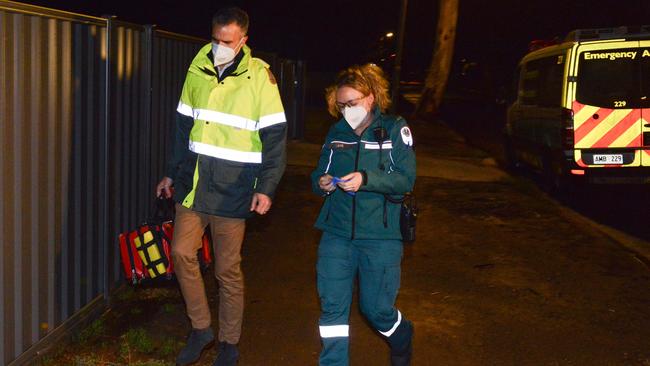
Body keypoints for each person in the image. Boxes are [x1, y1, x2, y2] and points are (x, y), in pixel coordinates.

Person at [155, 7, 286, 366]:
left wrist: (266, 187)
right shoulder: (196, 67)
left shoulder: (260, 77)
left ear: (244, 40)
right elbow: (183, 128)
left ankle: (229, 343)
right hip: (194, 184)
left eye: (227, 42)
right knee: (182, 254)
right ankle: (201, 328)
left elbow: (274, 139)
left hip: (234, 187)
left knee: (227, 270)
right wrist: (171, 172)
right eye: (214, 40)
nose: (219, 47)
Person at [310, 64, 416, 366]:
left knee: (376, 310)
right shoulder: (337, 131)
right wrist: (322, 182)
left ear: (371, 98)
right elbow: (320, 172)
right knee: (332, 310)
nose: (346, 110)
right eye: (341, 105)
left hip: (380, 237)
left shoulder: (395, 128)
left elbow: (405, 180)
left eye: (352, 103)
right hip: (336, 234)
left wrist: (367, 179)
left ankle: (401, 335)